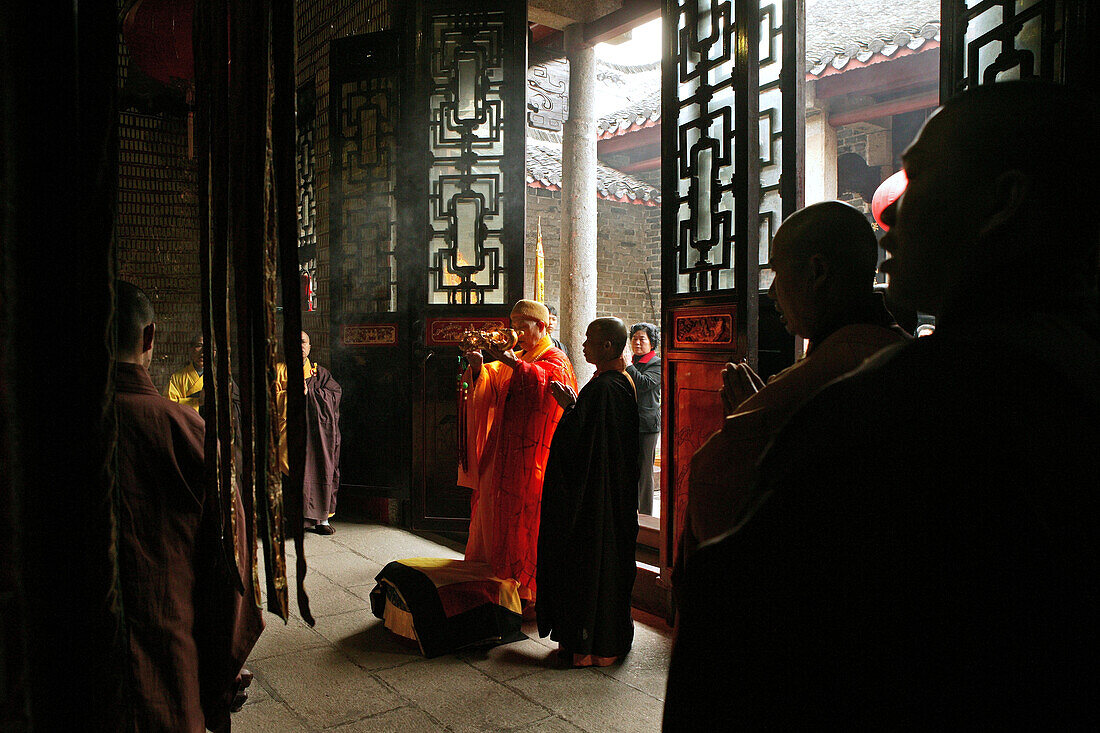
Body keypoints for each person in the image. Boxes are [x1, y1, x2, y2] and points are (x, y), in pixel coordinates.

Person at [664, 80, 1100, 729]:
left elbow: (748, 611)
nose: (887, 217)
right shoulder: (1055, 360)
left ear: (1002, 202)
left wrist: (763, 433)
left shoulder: (914, 402)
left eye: (916, 178)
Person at [682, 200, 909, 558]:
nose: (772, 294)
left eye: (776, 273)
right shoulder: (889, 348)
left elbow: (717, 485)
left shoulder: (842, 367)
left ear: (817, 272)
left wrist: (754, 429)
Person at [113, 281, 262, 731]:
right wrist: (220, 675)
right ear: (150, 337)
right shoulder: (186, 432)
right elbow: (233, 571)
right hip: (168, 671)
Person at [458, 299, 576, 605]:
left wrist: (513, 363)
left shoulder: (555, 358)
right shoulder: (520, 356)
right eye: (514, 327)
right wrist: (476, 366)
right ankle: (495, 570)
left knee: (528, 517)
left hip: (534, 454)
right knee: (490, 502)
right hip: (502, 447)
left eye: (522, 327)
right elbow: (488, 387)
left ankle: (527, 588)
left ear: (541, 326)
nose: (517, 333)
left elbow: (547, 388)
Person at [537, 317, 639, 667]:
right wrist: (577, 407)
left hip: (595, 503)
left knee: (591, 568)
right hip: (610, 499)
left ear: (608, 346)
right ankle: (600, 646)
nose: (583, 345)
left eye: (590, 340)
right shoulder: (616, 383)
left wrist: (569, 408)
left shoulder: (607, 389)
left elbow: (582, 446)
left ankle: (590, 647)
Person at [276, 331, 342, 535]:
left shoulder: (319, 374)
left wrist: (311, 393)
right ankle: (292, 519)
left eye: (303, 342)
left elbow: (334, 394)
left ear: (310, 347)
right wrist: (292, 394)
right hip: (289, 431)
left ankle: (322, 520)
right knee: (290, 471)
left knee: (323, 469)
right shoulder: (278, 370)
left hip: (318, 434)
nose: (300, 346)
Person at [625, 322, 661, 514]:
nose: (637, 342)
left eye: (642, 339)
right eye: (635, 338)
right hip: (630, 422)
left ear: (652, 342)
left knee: (645, 471)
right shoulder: (634, 362)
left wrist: (628, 367)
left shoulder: (657, 363)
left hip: (647, 425)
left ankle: (645, 512)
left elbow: (644, 384)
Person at [164, 331, 204, 411]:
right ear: (191, 350)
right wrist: (198, 402)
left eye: (210, 347)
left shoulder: (220, 376)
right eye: (199, 346)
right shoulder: (177, 378)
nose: (203, 351)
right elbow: (168, 405)